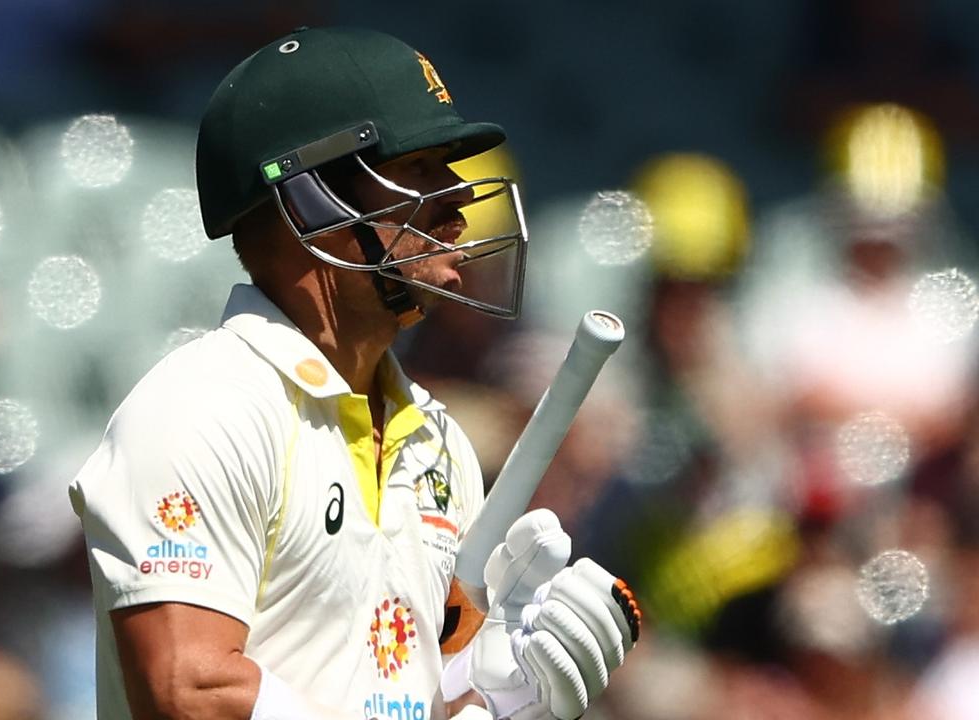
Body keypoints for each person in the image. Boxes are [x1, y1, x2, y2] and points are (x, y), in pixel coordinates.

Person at [69, 26, 641, 720]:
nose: (459, 203)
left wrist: (504, 699)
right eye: (422, 167)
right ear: (310, 198)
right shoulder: (202, 407)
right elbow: (188, 690)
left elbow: (407, 699)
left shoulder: (438, 441)